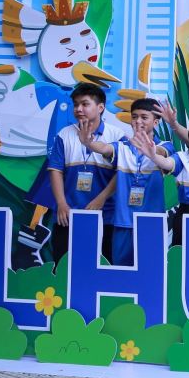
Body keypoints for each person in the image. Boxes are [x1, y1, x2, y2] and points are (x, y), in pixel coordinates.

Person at [78, 98, 174, 267]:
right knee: (121, 270)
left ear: (156, 122)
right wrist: (89, 143)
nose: (138, 121)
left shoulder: (166, 146)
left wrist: (149, 150)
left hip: (151, 222)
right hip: (123, 221)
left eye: (144, 117)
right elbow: (104, 148)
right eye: (134, 117)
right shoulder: (122, 146)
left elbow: (161, 153)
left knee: (151, 270)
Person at [48, 84, 126, 267]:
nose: (78, 109)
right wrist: (61, 204)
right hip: (68, 215)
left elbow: (122, 172)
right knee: (64, 268)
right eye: (76, 104)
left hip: (105, 215)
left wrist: (101, 199)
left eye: (85, 104)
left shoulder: (117, 135)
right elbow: (55, 171)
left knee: (104, 268)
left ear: (100, 107)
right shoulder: (64, 135)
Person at [133, 111, 189, 247]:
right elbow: (166, 163)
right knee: (183, 256)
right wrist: (153, 156)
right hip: (186, 214)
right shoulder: (182, 157)